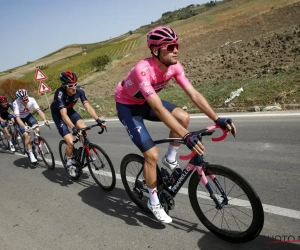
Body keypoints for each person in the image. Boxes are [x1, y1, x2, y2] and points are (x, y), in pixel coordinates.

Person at [114, 26, 236, 223]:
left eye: (177, 45)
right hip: (128, 107)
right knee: (151, 154)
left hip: (144, 102)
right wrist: (185, 136)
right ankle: (154, 202)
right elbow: (157, 107)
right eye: (170, 46)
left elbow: (194, 94)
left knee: (183, 118)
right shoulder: (143, 70)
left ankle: (170, 159)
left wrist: (216, 119)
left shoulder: (175, 67)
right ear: (156, 51)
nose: (176, 50)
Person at [50, 71, 106, 177]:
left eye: (75, 84)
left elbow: (88, 107)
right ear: (64, 86)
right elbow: (63, 114)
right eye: (70, 86)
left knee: (84, 128)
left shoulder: (79, 90)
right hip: (59, 115)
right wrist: (73, 128)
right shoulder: (59, 93)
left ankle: (85, 149)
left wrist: (98, 120)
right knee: (70, 142)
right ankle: (69, 162)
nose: (74, 88)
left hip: (69, 111)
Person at [13, 89, 49, 163]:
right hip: (20, 119)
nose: (26, 101)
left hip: (28, 116)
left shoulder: (31, 99)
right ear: (20, 100)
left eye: (26, 99)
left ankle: (36, 143)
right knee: (26, 135)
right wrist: (25, 127)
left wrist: (45, 120)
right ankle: (30, 153)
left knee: (37, 129)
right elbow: (18, 118)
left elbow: (39, 111)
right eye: (24, 100)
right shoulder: (15, 103)